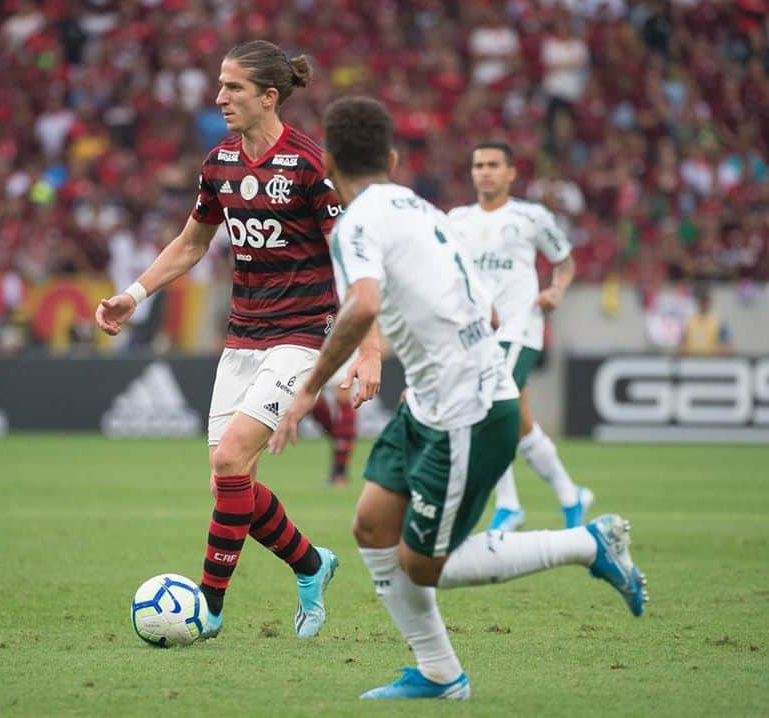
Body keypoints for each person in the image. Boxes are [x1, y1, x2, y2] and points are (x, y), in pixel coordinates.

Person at [270, 96, 646, 700]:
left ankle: (586, 543)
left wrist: (307, 389)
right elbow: (489, 308)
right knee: (371, 524)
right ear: (391, 158)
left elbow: (363, 304)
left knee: (422, 565)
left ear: (330, 161)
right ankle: (439, 674)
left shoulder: (356, 224)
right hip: (430, 400)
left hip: (467, 410)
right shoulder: (423, 208)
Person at [95, 41, 382, 639]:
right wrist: (135, 293)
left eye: (233, 88)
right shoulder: (219, 161)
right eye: (220, 85)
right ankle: (311, 563)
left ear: (268, 96)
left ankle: (209, 609)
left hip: (305, 336)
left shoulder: (309, 165)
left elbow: (353, 258)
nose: (219, 97)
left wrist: (367, 347)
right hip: (243, 337)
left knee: (229, 460)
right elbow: (192, 244)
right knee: (231, 485)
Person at [447, 142, 593, 531]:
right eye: (479, 165)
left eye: (494, 165)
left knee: (488, 403)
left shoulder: (531, 217)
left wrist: (557, 291)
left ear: (511, 172)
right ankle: (570, 493)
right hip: (477, 333)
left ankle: (509, 505)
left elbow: (564, 262)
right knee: (520, 421)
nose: (485, 172)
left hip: (520, 326)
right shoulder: (456, 220)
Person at [309, 358, 358, 486]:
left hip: (342, 344)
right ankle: (339, 439)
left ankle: (340, 471)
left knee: (343, 396)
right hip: (316, 345)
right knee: (312, 400)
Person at [679, 283, 732, 356]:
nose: (704, 303)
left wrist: (724, 352)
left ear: (709, 302)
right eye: (702, 301)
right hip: (691, 362)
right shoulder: (689, 321)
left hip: (712, 362)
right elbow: (682, 343)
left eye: (706, 301)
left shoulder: (719, 321)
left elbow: (728, 346)